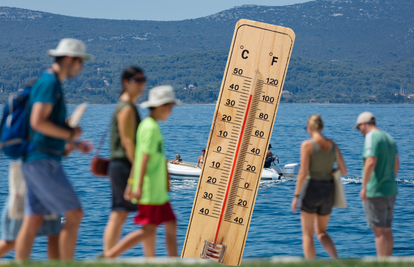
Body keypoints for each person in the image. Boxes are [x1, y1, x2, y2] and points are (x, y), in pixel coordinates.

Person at [15, 38, 93, 260]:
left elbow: (45, 128)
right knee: (75, 214)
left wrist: (74, 144)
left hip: (37, 159)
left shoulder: (51, 83)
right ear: (69, 59)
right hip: (42, 161)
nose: (81, 67)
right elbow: (38, 122)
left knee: (33, 219)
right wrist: (70, 134)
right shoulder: (49, 83)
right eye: (80, 62)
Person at [103, 85, 181, 258]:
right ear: (160, 106)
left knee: (170, 224)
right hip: (150, 191)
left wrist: (166, 181)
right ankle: (110, 256)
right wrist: (136, 186)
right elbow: (142, 158)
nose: (171, 112)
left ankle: (167, 260)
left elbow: (154, 158)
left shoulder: (153, 126)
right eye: (169, 108)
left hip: (158, 191)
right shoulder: (149, 128)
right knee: (148, 231)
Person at [103, 67, 147, 254]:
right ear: (125, 82)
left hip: (120, 165)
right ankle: (109, 255)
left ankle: (109, 255)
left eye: (143, 79)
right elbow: (129, 143)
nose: (141, 84)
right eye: (137, 80)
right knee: (122, 214)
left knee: (119, 214)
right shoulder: (127, 108)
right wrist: (139, 171)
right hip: (123, 166)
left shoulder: (127, 106)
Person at [291, 115, 347, 259]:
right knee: (322, 232)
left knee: (308, 234)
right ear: (321, 128)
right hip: (328, 190)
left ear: (309, 128)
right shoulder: (333, 145)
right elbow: (344, 170)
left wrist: (296, 196)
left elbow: (303, 172)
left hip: (312, 189)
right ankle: (337, 261)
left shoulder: (307, 145)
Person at [355, 112, 398, 258]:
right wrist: (390, 180)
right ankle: (389, 261)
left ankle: (381, 262)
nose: (360, 131)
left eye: (359, 128)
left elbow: (370, 161)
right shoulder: (388, 138)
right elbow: (396, 164)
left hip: (376, 190)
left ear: (364, 125)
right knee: (387, 230)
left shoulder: (371, 136)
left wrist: (364, 186)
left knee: (379, 232)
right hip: (391, 189)